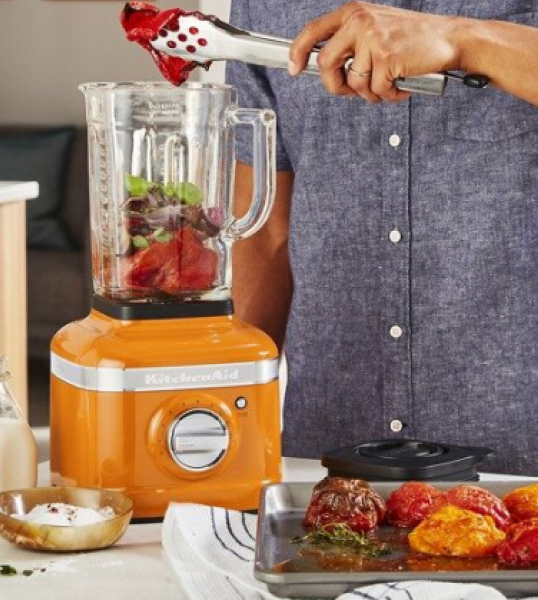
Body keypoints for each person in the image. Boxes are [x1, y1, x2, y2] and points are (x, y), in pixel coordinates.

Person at [227, 0, 538, 475]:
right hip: (322, 462)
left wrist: (464, 40)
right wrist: (233, 421)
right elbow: (263, 224)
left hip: (520, 464)